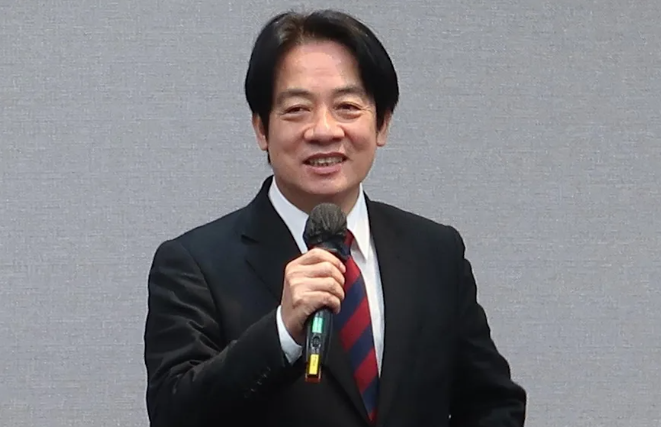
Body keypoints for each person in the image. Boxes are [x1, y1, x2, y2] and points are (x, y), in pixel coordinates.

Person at [143, 9, 526, 427]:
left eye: (347, 107)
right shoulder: (194, 265)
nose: (324, 130)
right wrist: (281, 332)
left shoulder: (435, 252)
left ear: (382, 124)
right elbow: (173, 413)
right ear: (261, 129)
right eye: (297, 109)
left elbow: (493, 403)